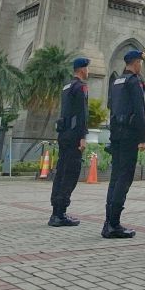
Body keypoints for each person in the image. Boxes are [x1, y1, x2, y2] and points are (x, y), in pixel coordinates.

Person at [103, 48, 145, 238]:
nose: (141, 66)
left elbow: (111, 109)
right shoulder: (134, 81)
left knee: (115, 178)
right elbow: (139, 110)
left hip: (116, 135)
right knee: (124, 178)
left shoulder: (117, 82)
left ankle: (108, 221)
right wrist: (142, 138)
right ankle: (114, 224)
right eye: (140, 63)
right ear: (136, 63)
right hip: (129, 136)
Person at [49, 56, 90, 227]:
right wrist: (83, 136)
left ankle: (56, 211)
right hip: (74, 136)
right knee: (71, 172)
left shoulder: (66, 86)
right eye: (87, 68)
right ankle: (60, 213)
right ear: (82, 69)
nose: (88, 71)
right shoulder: (81, 87)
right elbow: (82, 113)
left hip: (64, 134)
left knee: (61, 172)